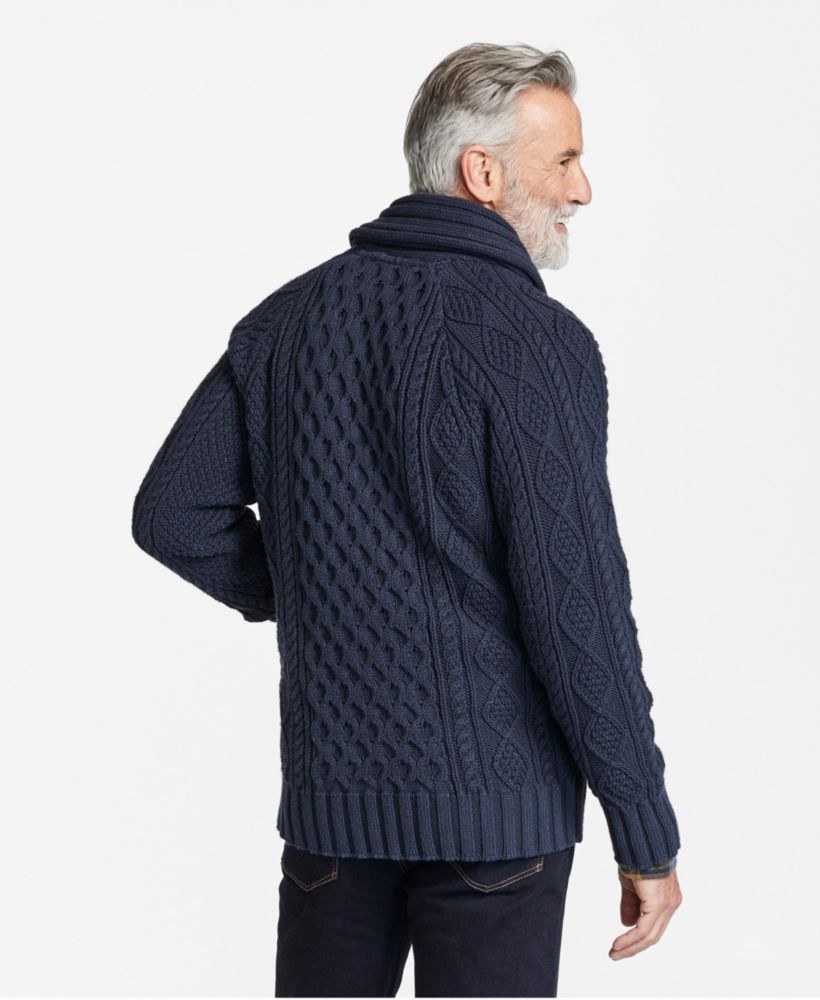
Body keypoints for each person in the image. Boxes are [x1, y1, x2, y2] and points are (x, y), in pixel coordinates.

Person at [132, 41, 683, 997]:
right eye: (563, 160)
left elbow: (174, 512)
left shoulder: (286, 322)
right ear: (482, 172)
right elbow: (576, 610)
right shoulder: (533, 342)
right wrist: (644, 831)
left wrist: (322, 591)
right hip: (495, 826)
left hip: (332, 819)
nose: (581, 189)